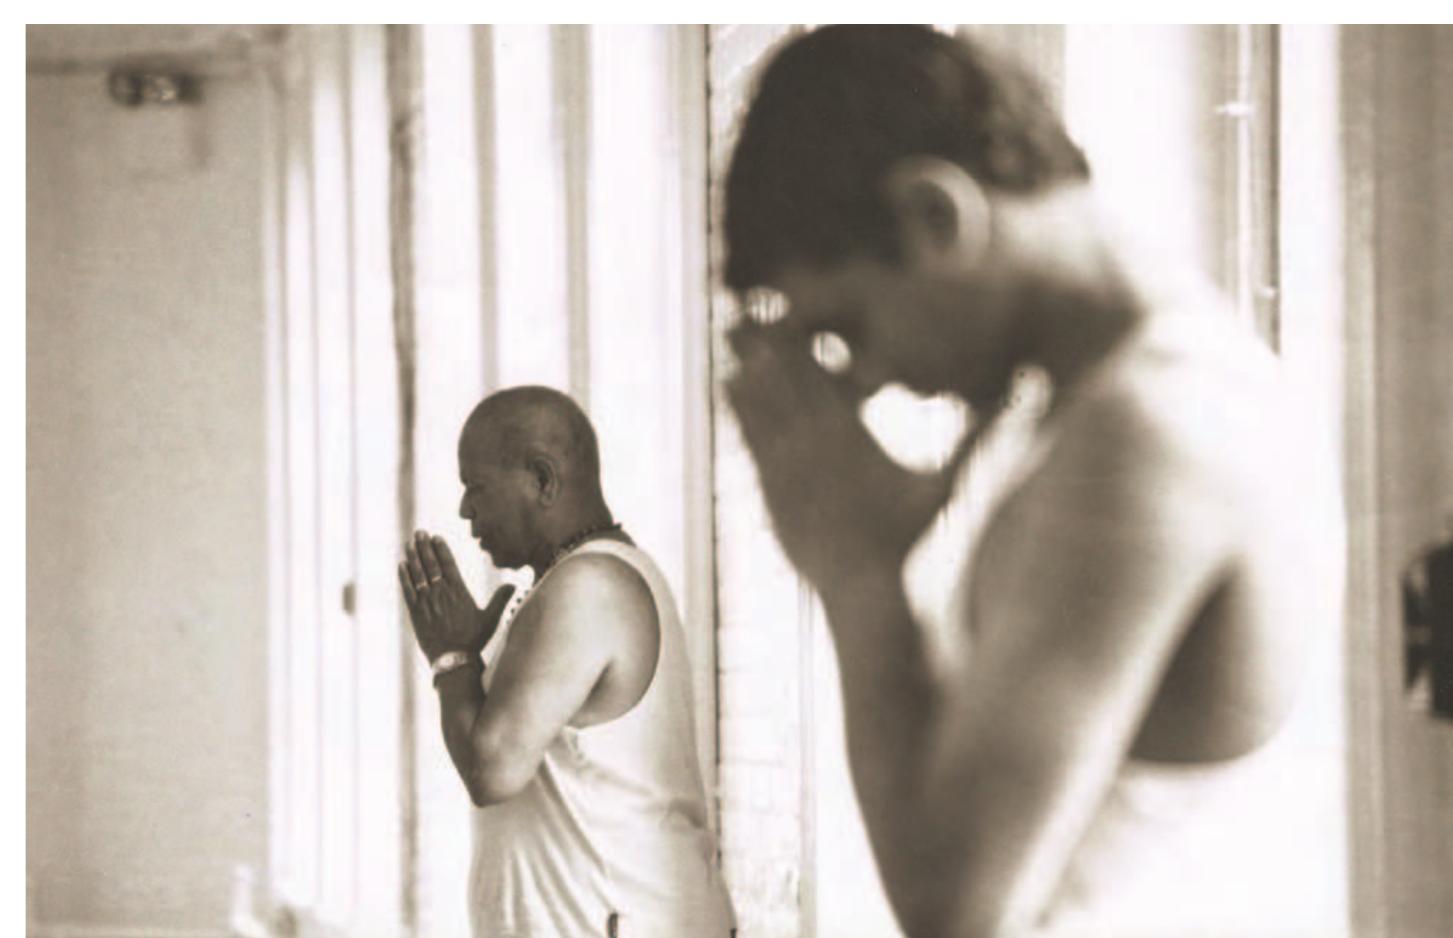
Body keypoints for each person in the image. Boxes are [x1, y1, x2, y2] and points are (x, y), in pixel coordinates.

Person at [722, 25, 1340, 938]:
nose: (865, 376)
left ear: (933, 216)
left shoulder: (1150, 428)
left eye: (848, 325)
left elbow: (954, 915)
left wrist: (856, 573)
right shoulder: (1099, 401)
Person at [399, 385, 735, 938]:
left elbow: (493, 770)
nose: (465, 511)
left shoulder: (589, 585)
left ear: (542, 479)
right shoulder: (577, 581)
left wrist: (452, 659)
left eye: (475, 488)